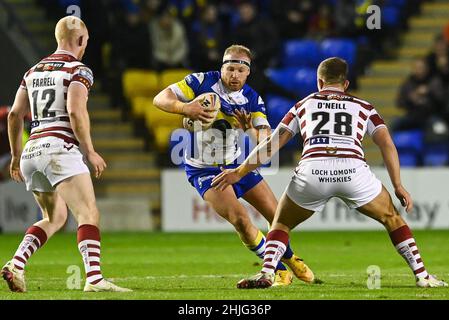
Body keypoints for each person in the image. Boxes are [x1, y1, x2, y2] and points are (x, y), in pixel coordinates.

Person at [212, 57, 448, 289]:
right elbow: (386, 143)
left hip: (313, 170)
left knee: (281, 224)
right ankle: (422, 276)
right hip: (352, 170)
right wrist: (398, 184)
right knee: (392, 218)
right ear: (345, 84)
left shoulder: (303, 105)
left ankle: (266, 273)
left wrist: (239, 172)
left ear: (319, 82)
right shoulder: (364, 107)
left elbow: (273, 145)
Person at [153, 44, 314, 286]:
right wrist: (185, 107)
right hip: (204, 169)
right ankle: (280, 270)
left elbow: (265, 140)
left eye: (240, 70)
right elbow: (160, 98)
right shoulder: (200, 82)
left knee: (277, 215)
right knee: (240, 219)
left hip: (238, 164)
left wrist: (249, 127)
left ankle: (290, 259)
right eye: (230, 68)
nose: (234, 75)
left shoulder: (251, 98)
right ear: (222, 68)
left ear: (248, 73)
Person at [1, 16, 131, 293]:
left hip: (32, 151)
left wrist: (15, 156)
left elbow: (14, 115)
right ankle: (94, 278)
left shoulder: (32, 71)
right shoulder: (78, 69)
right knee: (88, 213)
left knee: (55, 217)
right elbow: (75, 111)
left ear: (57, 38)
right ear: (82, 40)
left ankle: (16, 263)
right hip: (60, 148)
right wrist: (90, 151)